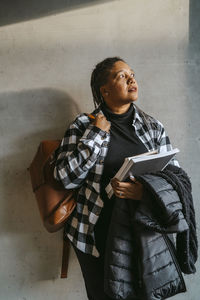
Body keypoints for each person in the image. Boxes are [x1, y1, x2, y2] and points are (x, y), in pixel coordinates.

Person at [53, 57, 197, 300]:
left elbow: (176, 178)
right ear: (104, 90)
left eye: (132, 74)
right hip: (95, 234)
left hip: (143, 234)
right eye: (121, 75)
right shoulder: (82, 125)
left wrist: (144, 192)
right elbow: (65, 178)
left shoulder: (153, 127)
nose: (132, 79)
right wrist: (97, 134)